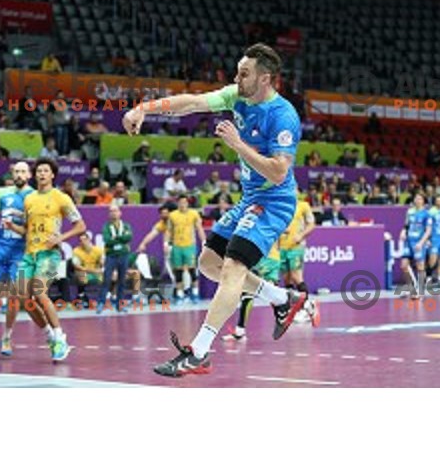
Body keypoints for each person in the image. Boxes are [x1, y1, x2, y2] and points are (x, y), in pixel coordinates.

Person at [123, 43, 305, 377]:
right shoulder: (237, 95)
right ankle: (282, 298)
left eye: (244, 73)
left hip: (274, 201)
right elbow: (192, 103)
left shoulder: (283, 116)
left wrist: (237, 144)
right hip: (248, 199)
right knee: (209, 264)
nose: (237, 78)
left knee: (234, 267)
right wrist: (144, 108)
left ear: (265, 78)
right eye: (238, 71)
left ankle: (199, 352)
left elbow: (279, 171)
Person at [4, 158, 86, 361]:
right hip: (29, 254)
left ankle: (60, 337)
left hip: (49, 254)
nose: (41, 174)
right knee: (23, 298)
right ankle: (49, 334)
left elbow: (80, 226)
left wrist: (60, 238)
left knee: (40, 293)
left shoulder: (61, 197)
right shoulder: (29, 199)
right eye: (39, 171)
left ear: (52, 175)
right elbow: (27, 229)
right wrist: (13, 227)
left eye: (45, 171)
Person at [0, 161, 35, 359]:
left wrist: (14, 227)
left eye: (23, 171)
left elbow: (30, 229)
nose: (19, 174)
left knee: (15, 297)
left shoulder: (34, 197)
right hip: (0, 250)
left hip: (20, 253)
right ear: (12, 174)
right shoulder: (2, 193)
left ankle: (7, 336)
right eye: (16, 171)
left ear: (29, 175)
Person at [222, 240, 282, 342]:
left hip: (263, 258)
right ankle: (305, 306)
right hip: (272, 257)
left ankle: (240, 332)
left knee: (248, 294)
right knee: (273, 294)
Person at [279, 189, 319, 325]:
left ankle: (307, 308)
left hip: (296, 247)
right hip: (281, 248)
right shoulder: (281, 206)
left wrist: (301, 236)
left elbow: (311, 223)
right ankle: (293, 309)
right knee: (286, 279)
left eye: (293, 189)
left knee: (297, 277)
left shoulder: (303, 206)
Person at [166, 194, 206, 303]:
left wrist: (204, 242)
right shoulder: (172, 215)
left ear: (187, 203)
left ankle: (195, 293)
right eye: (181, 202)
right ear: (178, 203)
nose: (183, 204)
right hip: (177, 246)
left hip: (190, 246)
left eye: (185, 202)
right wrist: (166, 244)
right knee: (178, 271)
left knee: (192, 270)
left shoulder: (194, 214)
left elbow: (199, 228)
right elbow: (169, 231)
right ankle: (179, 295)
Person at [97, 205, 133, 313]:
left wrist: (116, 238)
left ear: (120, 213)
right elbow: (107, 240)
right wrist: (121, 239)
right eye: (111, 211)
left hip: (123, 255)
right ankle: (101, 303)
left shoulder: (126, 225)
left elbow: (129, 237)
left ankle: (120, 305)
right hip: (111, 256)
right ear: (109, 214)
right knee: (107, 280)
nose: (113, 213)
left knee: (122, 281)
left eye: (115, 211)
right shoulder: (106, 226)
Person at [399, 193, 433, 299]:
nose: (417, 200)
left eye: (419, 198)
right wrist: (403, 231)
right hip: (408, 241)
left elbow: (428, 231)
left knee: (420, 266)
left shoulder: (427, 214)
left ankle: (421, 292)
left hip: (419, 242)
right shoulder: (410, 212)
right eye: (416, 198)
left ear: (423, 201)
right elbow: (406, 225)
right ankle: (412, 290)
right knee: (404, 265)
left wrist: (421, 242)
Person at [72, 232, 105, 307]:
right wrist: (92, 271)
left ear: (89, 240)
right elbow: (77, 266)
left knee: (113, 274)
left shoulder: (98, 250)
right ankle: (81, 295)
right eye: (80, 240)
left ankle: (110, 296)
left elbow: (103, 263)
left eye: (84, 239)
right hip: (85, 273)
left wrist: (102, 264)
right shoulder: (76, 251)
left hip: (97, 274)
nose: (82, 242)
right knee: (80, 274)